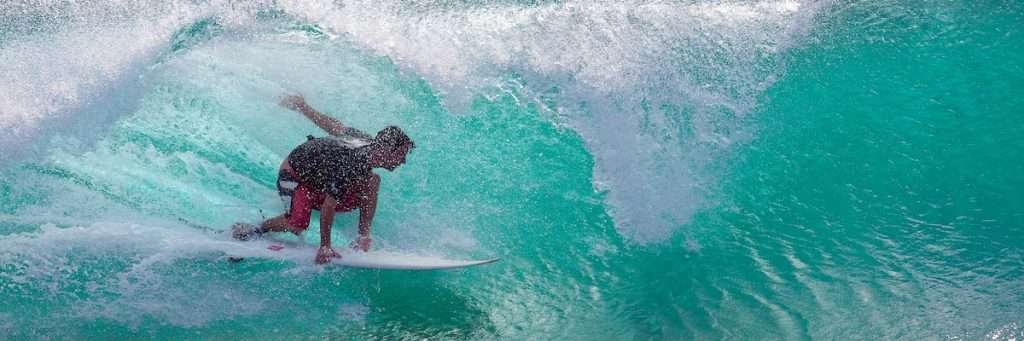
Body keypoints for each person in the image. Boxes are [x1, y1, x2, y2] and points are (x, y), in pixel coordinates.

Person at [232, 94, 414, 264]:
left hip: (320, 179)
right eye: (401, 155)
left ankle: (363, 235)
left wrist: (303, 107)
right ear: (386, 150)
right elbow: (329, 205)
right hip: (296, 176)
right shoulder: (353, 162)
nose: (403, 161)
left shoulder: (366, 140)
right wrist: (325, 246)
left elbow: (335, 127)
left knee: (372, 180)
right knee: (297, 224)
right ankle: (257, 228)